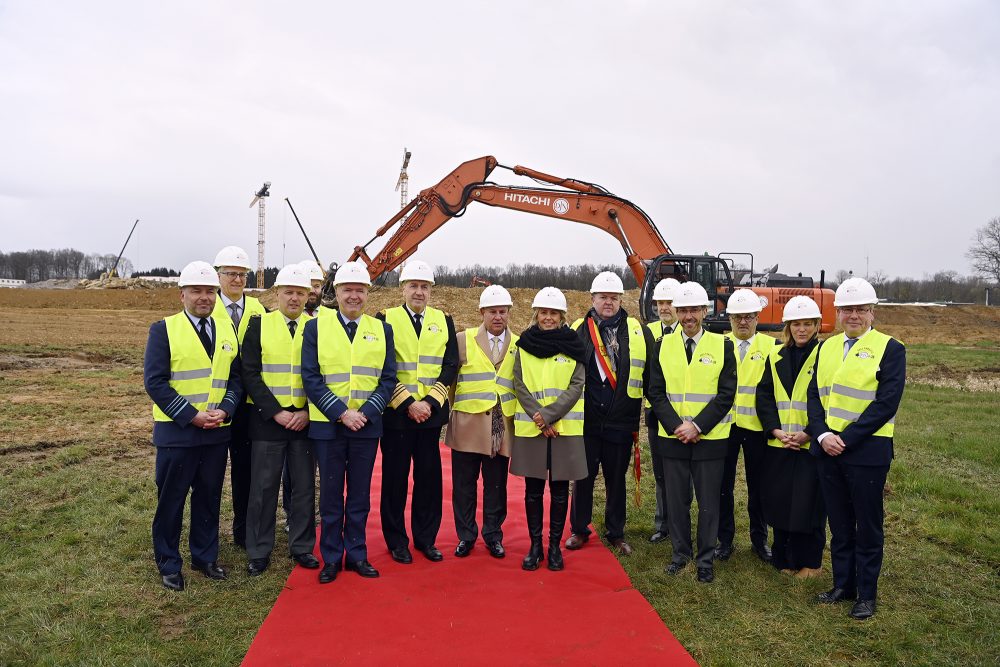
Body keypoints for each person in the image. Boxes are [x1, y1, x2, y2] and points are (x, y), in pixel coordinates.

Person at [807, 278, 905, 620]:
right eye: (847, 309)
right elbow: (813, 398)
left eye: (861, 309)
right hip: (828, 450)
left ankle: (866, 594)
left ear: (872, 312)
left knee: (867, 525)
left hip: (865, 453)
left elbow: (885, 404)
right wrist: (821, 436)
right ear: (837, 313)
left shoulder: (891, 348)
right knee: (840, 522)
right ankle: (843, 585)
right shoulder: (825, 348)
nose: (854, 315)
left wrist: (844, 439)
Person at [143, 261, 242, 591]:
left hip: (216, 432)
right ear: (182, 293)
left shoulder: (226, 329)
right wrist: (191, 415)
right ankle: (169, 562)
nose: (204, 297)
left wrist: (226, 410)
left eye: (209, 291)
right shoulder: (164, 330)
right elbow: (156, 383)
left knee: (209, 498)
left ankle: (205, 556)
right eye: (196, 291)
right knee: (172, 500)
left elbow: (235, 379)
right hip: (179, 433)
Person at [301, 261, 396, 583]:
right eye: (347, 290)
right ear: (336, 293)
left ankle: (357, 554)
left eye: (359, 290)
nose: (353, 296)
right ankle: (330, 557)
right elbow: (310, 377)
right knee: (329, 496)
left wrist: (365, 413)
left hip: (366, 427)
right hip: (329, 426)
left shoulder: (382, 330)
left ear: (367, 293)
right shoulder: (315, 327)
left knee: (358, 495)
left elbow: (387, 379)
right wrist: (342, 412)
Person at [648, 282, 736, 584]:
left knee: (709, 502)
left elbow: (726, 394)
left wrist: (697, 425)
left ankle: (705, 560)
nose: (688, 316)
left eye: (693, 310)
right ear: (675, 310)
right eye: (683, 310)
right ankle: (680, 555)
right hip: (672, 438)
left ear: (704, 311)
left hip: (709, 439)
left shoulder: (722, 345)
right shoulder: (661, 346)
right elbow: (655, 393)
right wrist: (677, 426)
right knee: (677, 501)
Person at [498, 287, 587, 571]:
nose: (548, 318)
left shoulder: (574, 344)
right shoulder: (524, 344)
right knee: (533, 490)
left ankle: (554, 547)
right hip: (533, 429)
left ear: (562, 316)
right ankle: (535, 546)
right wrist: (539, 418)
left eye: (554, 313)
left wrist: (548, 416)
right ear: (536, 314)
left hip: (562, 428)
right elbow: (518, 383)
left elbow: (577, 385)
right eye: (544, 313)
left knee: (560, 490)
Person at [565, 271, 653, 556]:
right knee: (583, 477)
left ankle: (616, 532)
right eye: (603, 297)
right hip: (588, 419)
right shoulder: (579, 328)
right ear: (592, 298)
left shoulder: (638, 330)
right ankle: (579, 529)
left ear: (620, 300)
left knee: (616, 479)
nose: (608, 302)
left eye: (614, 298)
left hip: (621, 418)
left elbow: (651, 372)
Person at [376, 260, 458, 564]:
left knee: (429, 480)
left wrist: (430, 403)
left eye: (425, 286)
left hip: (430, 416)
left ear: (431, 290)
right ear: (403, 288)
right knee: (395, 481)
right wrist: (409, 403)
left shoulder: (444, 320)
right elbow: (382, 365)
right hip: (397, 415)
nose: (419, 292)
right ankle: (397, 541)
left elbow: (450, 364)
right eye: (413, 285)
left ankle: (426, 539)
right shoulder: (385, 319)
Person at [241, 264, 317, 577]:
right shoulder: (259, 325)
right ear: (277, 293)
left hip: (304, 420)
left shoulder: (317, 327)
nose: (295, 298)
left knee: (302, 488)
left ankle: (302, 547)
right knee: (263, 487)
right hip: (267, 420)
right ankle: (259, 550)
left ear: (308, 296)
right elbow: (250, 373)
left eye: (301, 293)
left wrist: (307, 412)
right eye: (289, 292)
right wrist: (276, 411)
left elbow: (324, 374)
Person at [445, 285, 517, 559]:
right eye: (492, 311)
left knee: (496, 484)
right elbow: (451, 382)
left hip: (501, 429)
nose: (497, 316)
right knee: (464, 484)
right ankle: (466, 536)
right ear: (482, 312)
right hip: (468, 425)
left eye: (502, 311)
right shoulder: (462, 340)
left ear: (509, 313)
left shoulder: (518, 344)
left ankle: (493, 535)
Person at [756, 296, 826, 578]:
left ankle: (811, 563)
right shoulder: (775, 356)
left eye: (808, 324)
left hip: (810, 444)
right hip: (780, 443)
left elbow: (827, 399)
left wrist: (809, 434)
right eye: (796, 324)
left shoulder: (825, 355)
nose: (802, 329)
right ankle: (784, 559)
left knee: (809, 506)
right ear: (787, 326)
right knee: (781, 501)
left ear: (817, 326)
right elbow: (764, 396)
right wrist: (774, 430)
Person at [211, 245, 267, 550]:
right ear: (219, 276)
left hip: (250, 405)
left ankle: (243, 531)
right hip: (218, 403)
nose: (236, 279)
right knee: (213, 473)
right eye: (230, 274)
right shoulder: (208, 306)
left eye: (241, 274)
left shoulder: (259, 309)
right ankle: (208, 533)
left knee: (246, 472)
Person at [717, 289, 778, 563]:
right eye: (738, 317)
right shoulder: (717, 345)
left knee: (760, 487)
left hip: (757, 429)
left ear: (757, 318)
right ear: (729, 318)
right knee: (722, 487)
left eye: (749, 317)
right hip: (725, 428)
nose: (743, 322)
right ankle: (724, 540)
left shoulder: (772, 347)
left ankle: (759, 540)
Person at [646, 277, 681, 544]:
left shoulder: (691, 330)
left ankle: (683, 522)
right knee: (660, 472)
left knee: (685, 474)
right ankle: (663, 523)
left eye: (669, 302)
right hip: (655, 412)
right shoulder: (646, 333)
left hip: (685, 415)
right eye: (660, 302)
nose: (665, 307)